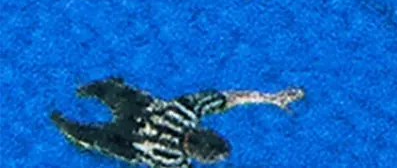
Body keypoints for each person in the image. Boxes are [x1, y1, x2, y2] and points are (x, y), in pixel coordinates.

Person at [51, 77, 304, 167]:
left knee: (105, 89)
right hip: (130, 144)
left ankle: (73, 97)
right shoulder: (175, 164)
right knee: (84, 135)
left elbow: (229, 98)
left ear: (205, 130)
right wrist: (272, 99)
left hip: (139, 111)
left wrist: (270, 97)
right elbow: (230, 98)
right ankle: (61, 123)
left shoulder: (185, 112)